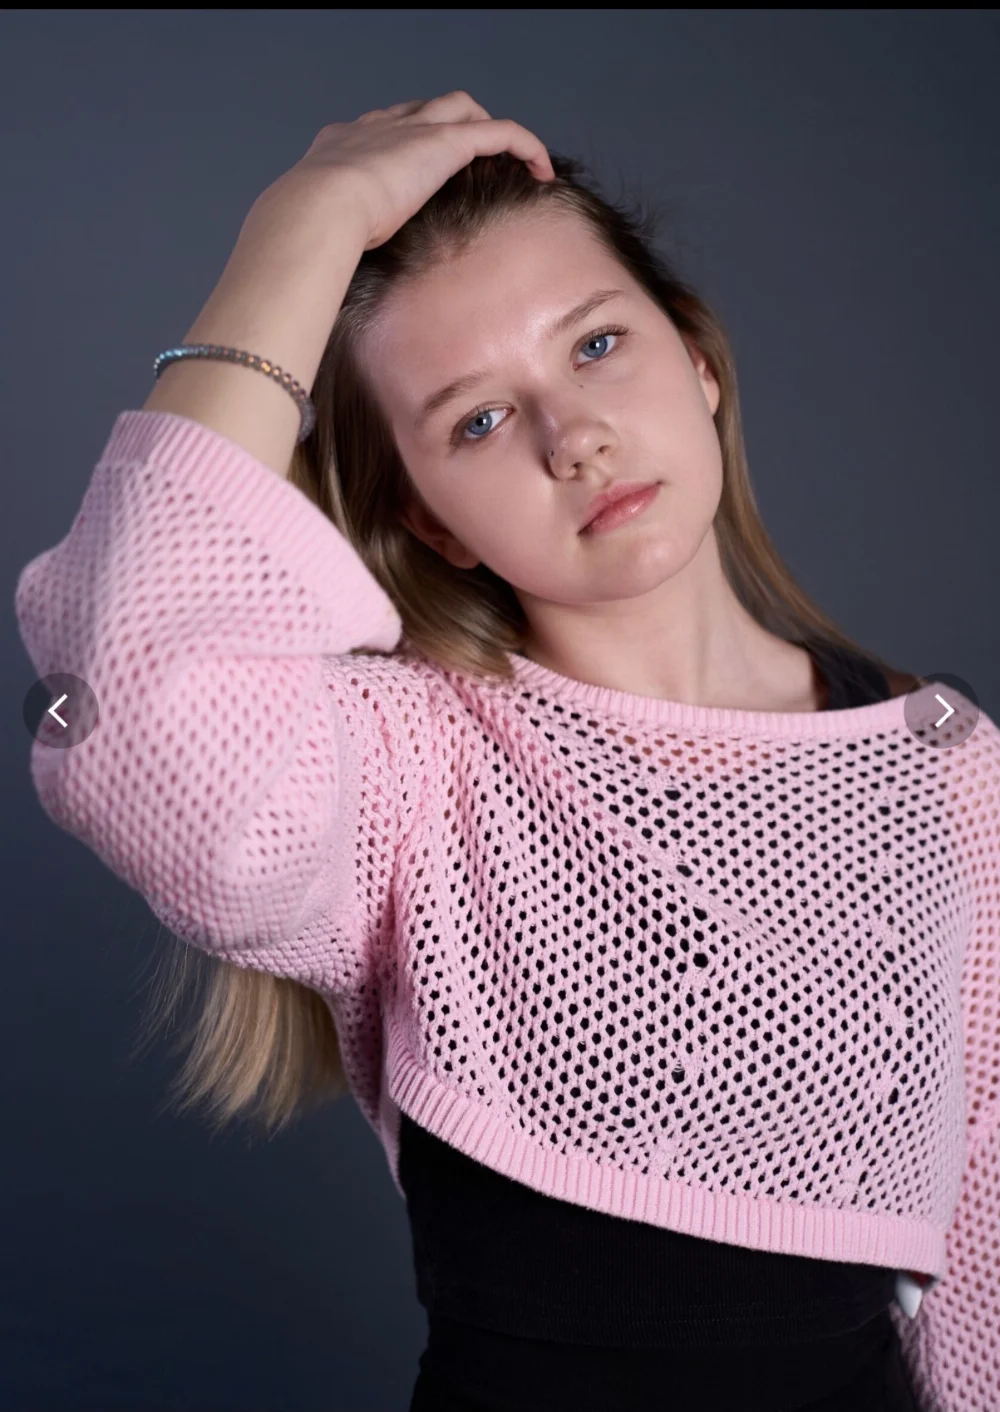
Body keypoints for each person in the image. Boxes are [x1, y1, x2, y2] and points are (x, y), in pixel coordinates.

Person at [15, 92, 998, 1411]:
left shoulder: (944, 766)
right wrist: (301, 226)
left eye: (597, 345)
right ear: (432, 523)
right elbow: (128, 704)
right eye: (477, 421)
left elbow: (984, 1247)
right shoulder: (412, 764)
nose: (572, 437)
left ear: (697, 360)